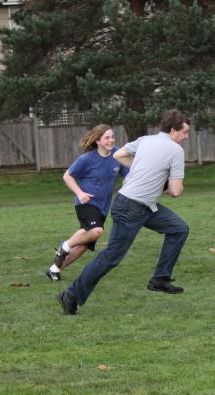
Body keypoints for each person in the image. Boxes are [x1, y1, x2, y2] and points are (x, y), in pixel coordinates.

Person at [57, 109, 192, 315]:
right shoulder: (176, 151)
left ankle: (160, 279)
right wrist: (163, 183)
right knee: (112, 256)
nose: (187, 136)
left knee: (179, 229)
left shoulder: (146, 140)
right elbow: (176, 191)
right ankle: (70, 295)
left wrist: (142, 170)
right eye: (185, 132)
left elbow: (118, 155)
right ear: (173, 130)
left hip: (144, 206)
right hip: (131, 208)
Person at [46, 124, 129, 282]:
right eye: (107, 138)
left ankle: (54, 269)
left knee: (84, 245)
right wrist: (80, 193)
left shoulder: (118, 155)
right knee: (96, 231)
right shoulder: (87, 159)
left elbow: (127, 176)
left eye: (112, 137)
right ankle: (65, 246)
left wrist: (126, 189)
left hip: (103, 208)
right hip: (86, 203)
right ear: (98, 141)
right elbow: (67, 176)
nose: (111, 140)